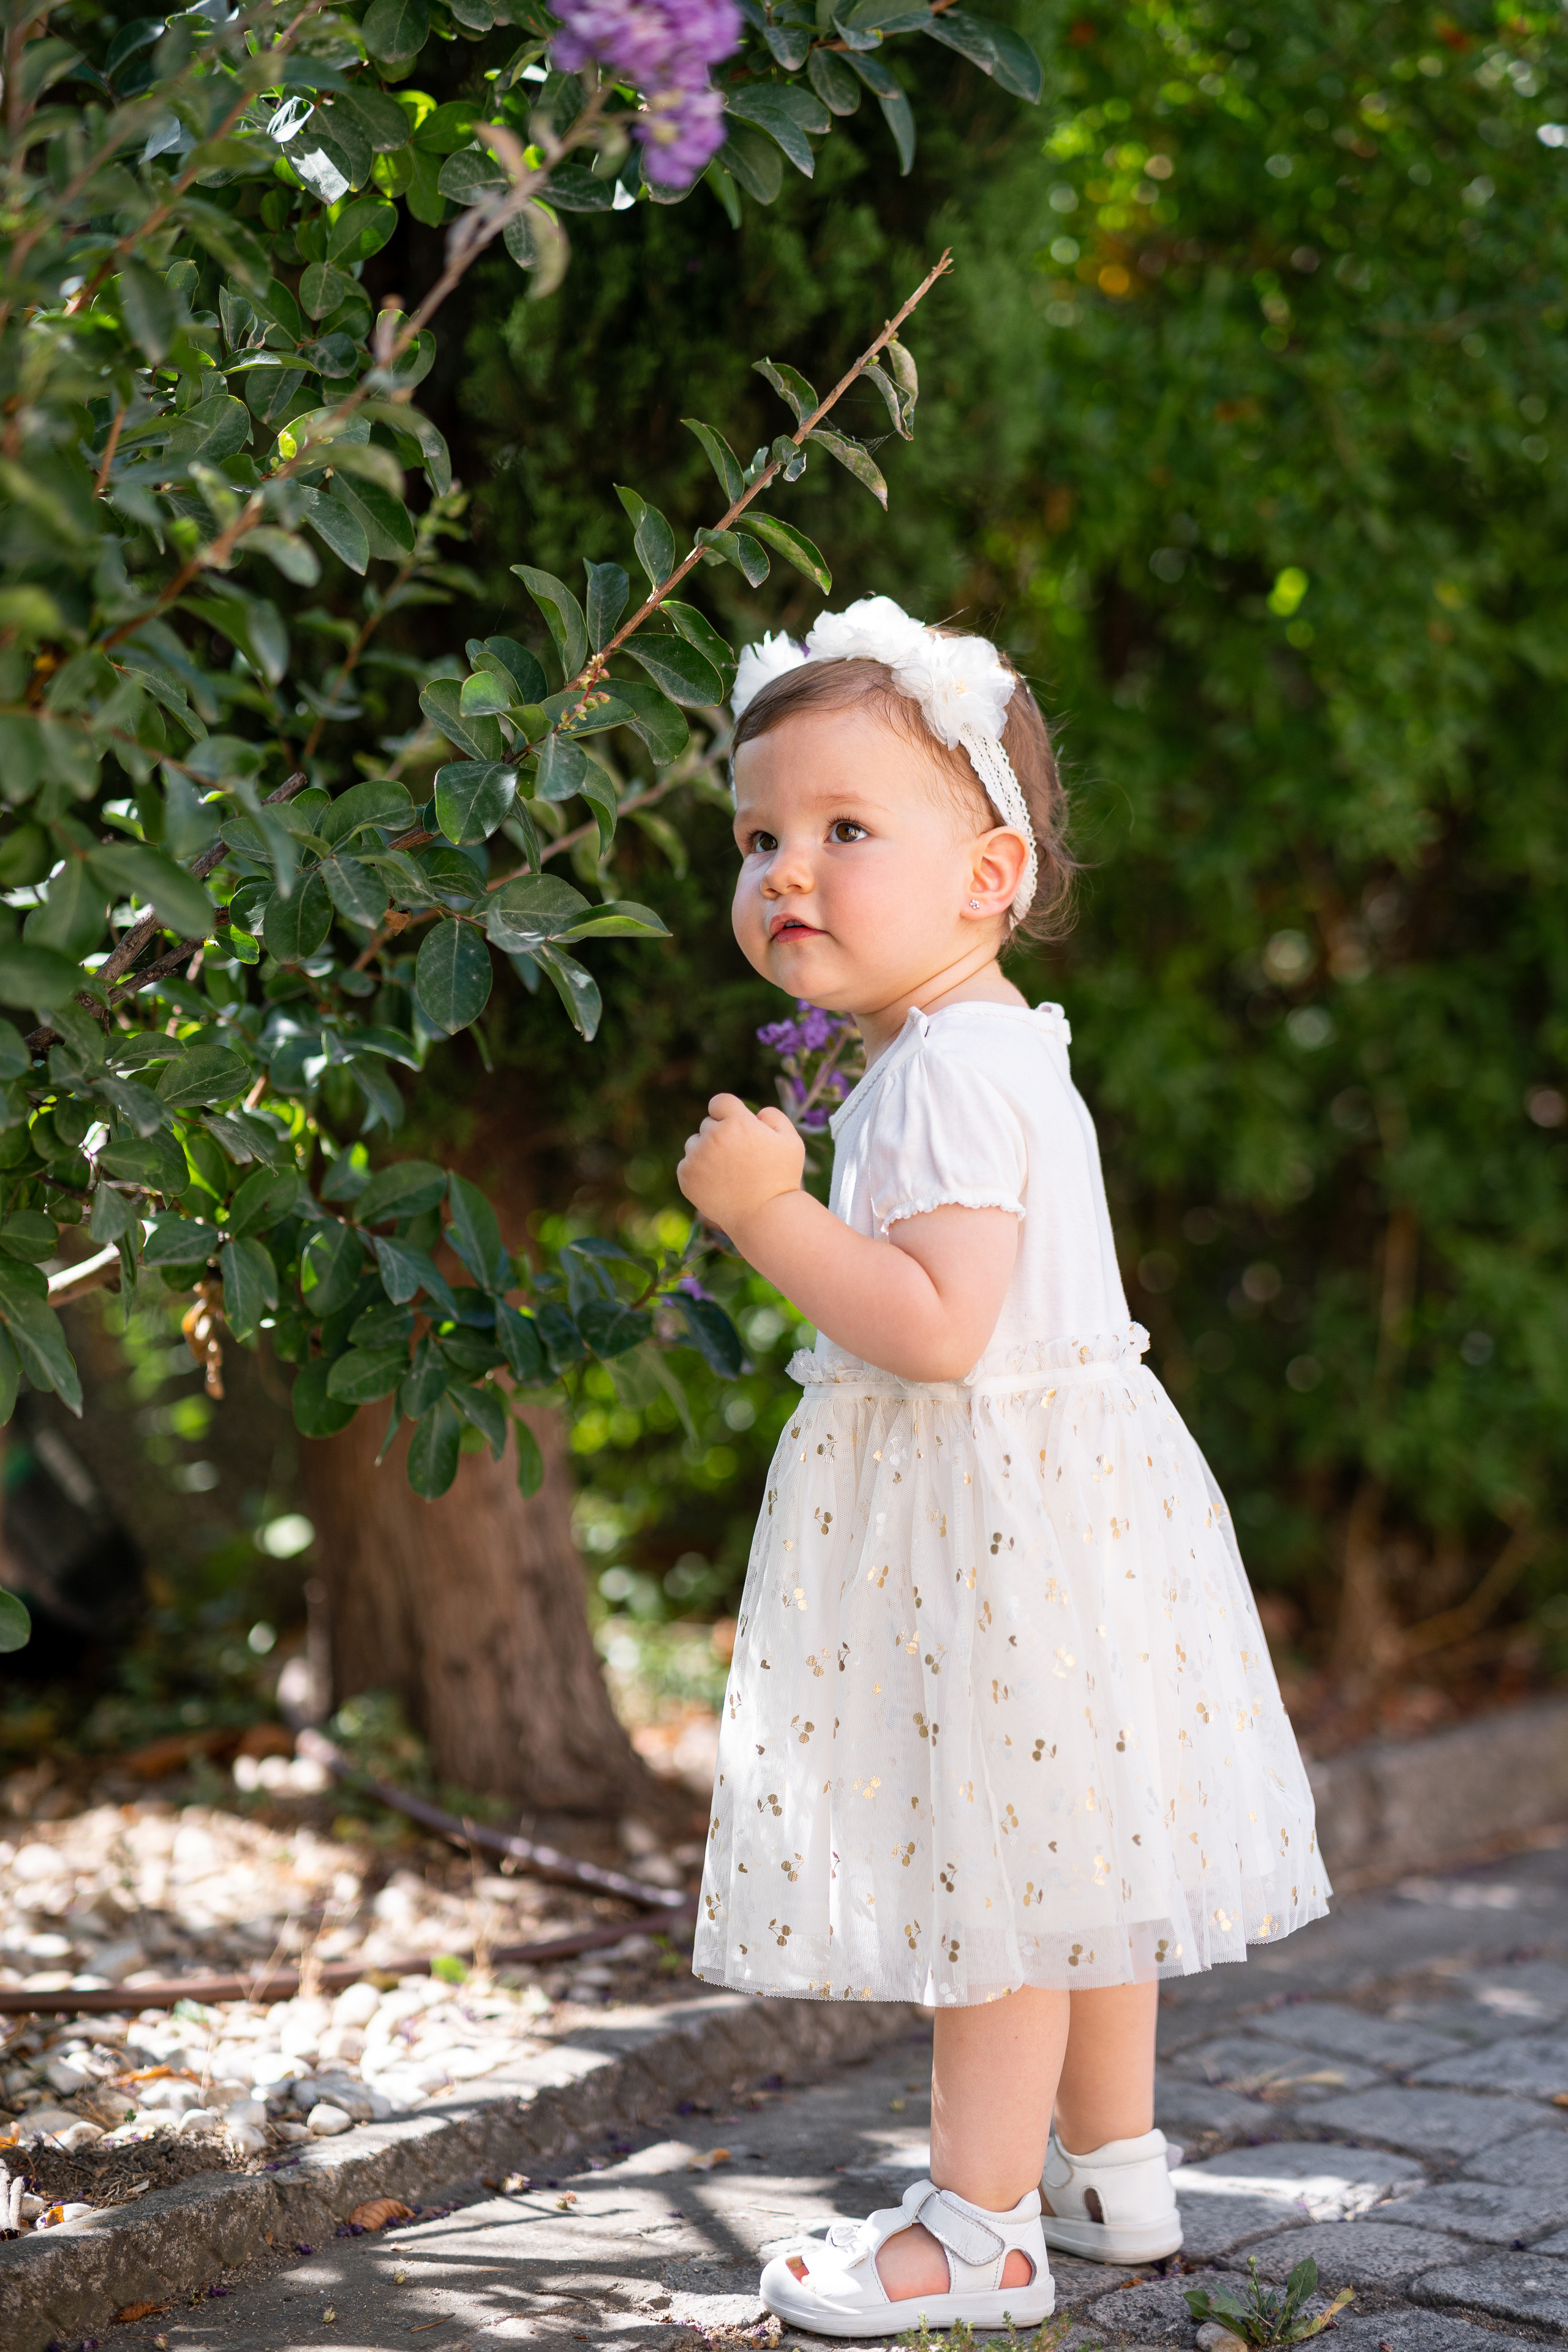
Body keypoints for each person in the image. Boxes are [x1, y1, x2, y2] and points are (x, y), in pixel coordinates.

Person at [676, 596, 1327, 2338]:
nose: (786, 873)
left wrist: (767, 1219)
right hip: (1054, 1512)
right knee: (1078, 1857)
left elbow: (937, 1325)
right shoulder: (977, 1045)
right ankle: (1115, 2168)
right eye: (760, 837)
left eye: (843, 830)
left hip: (995, 1526)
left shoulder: (952, 1075)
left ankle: (982, 2230)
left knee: (1003, 1894)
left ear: (987, 873)